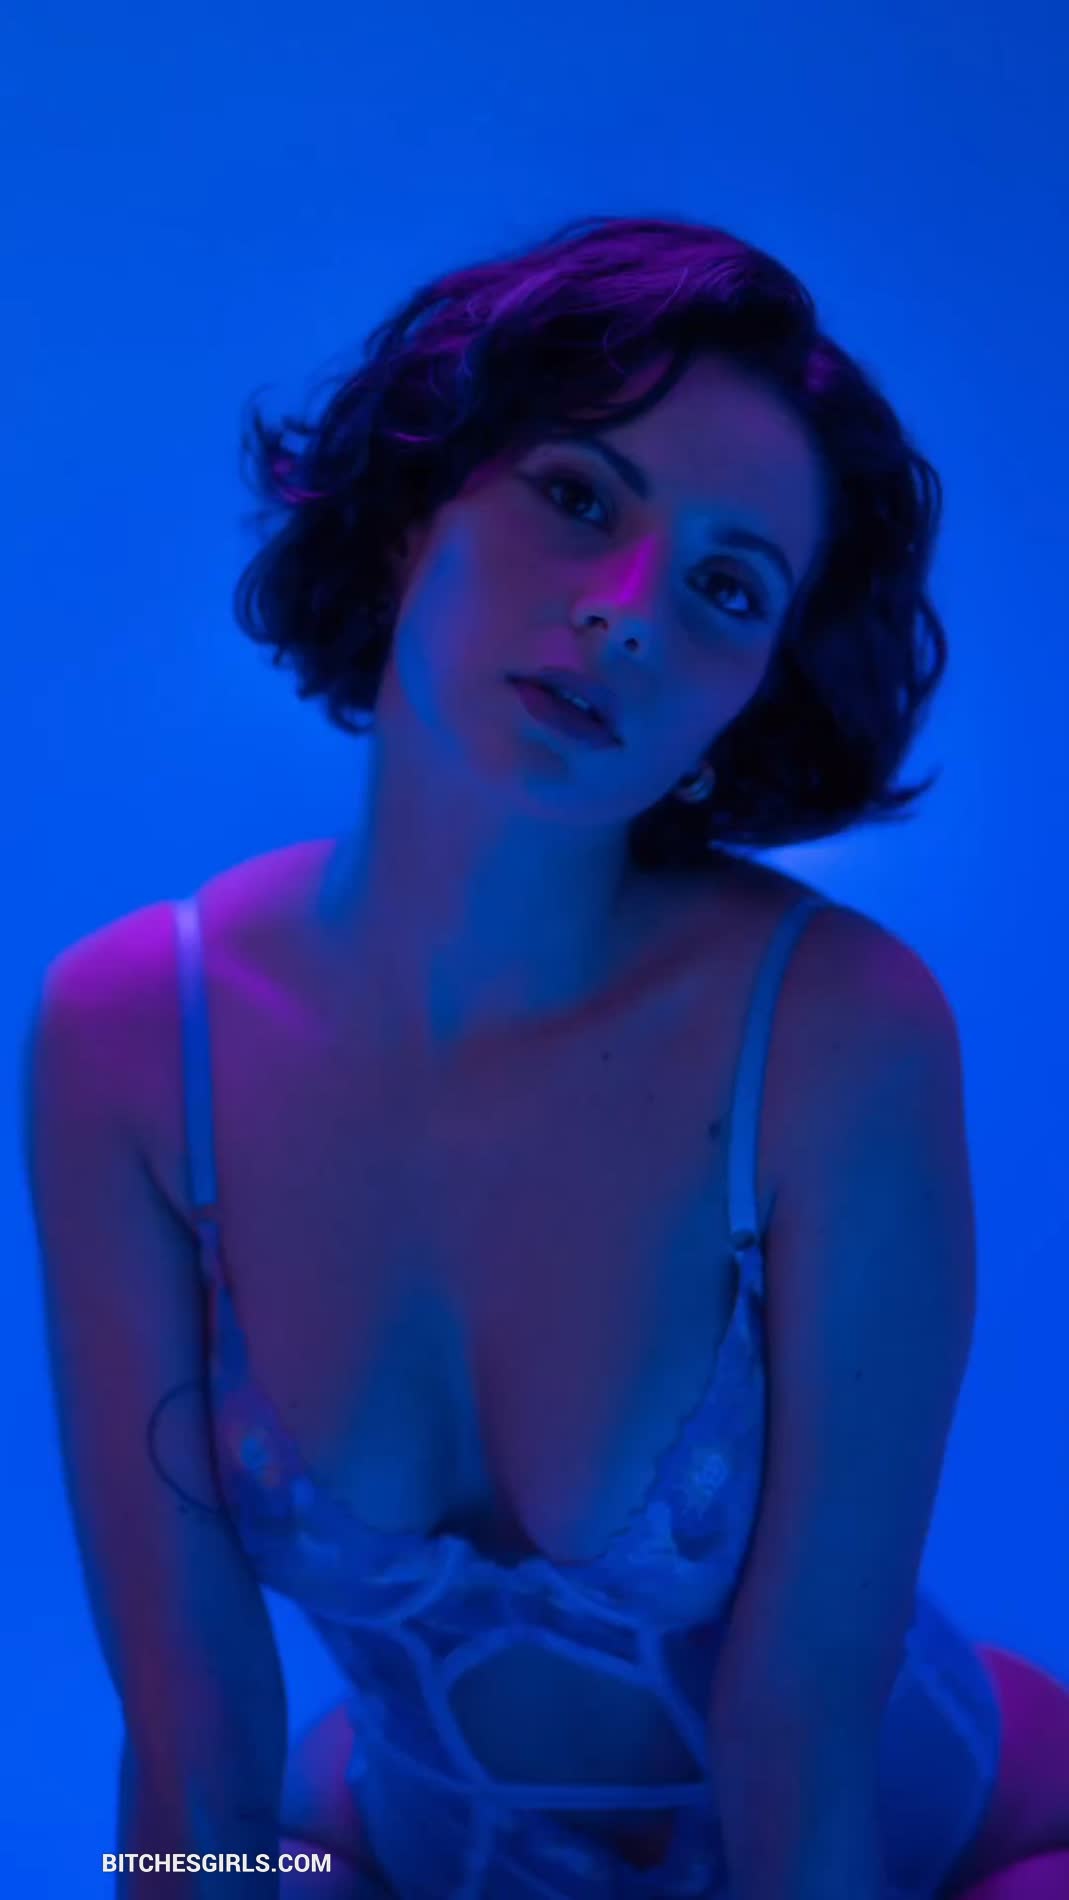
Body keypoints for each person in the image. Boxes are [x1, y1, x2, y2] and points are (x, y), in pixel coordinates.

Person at [23, 213, 1069, 1899]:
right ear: (408, 513)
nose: (628, 613)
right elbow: (187, 1733)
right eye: (577, 496)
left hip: (932, 1851)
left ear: (751, 695)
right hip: (406, 1845)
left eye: (727, 587)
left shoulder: (833, 1033)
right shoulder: (132, 1041)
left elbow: (798, 1745)